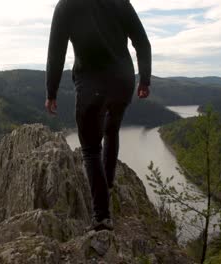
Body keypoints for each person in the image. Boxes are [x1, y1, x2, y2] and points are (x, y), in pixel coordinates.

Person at [44, 0, 151, 231]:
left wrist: (51, 92)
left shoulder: (66, 5)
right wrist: (145, 80)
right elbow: (142, 42)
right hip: (123, 81)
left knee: (91, 150)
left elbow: (56, 52)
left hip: (92, 85)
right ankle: (108, 183)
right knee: (111, 131)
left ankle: (101, 216)